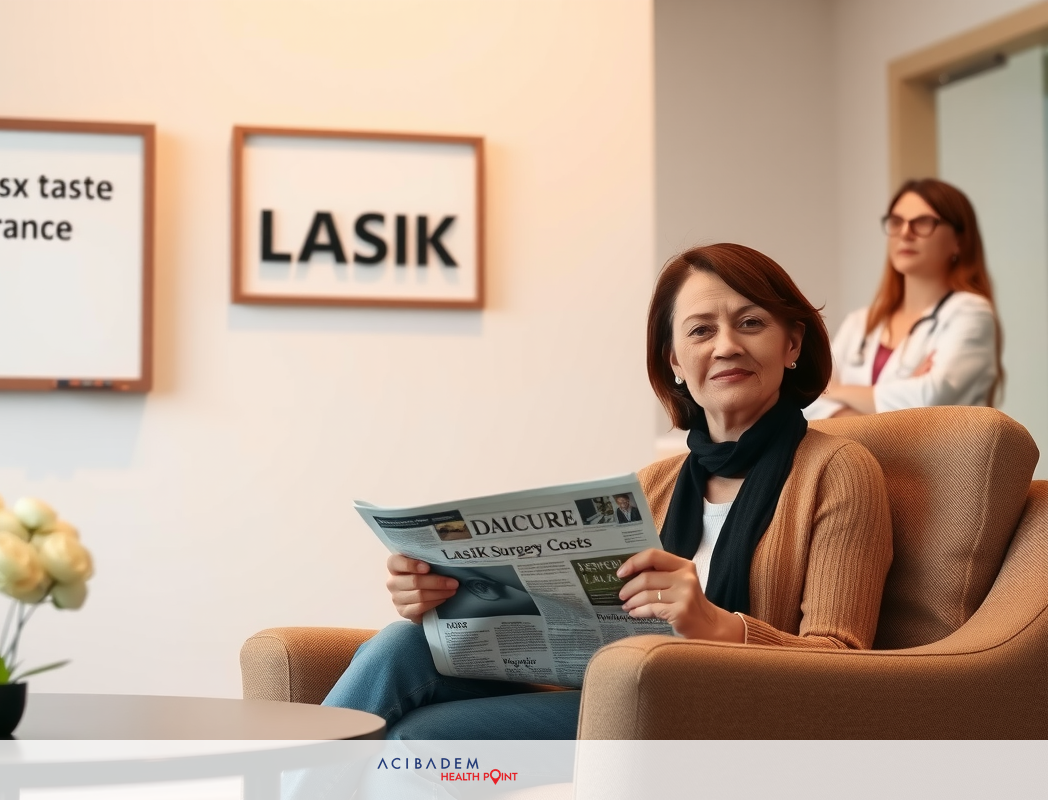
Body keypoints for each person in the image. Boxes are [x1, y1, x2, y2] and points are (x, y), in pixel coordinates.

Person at [322, 243, 893, 740]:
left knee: (421, 740)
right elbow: (578, 643)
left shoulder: (837, 470)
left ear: (792, 344)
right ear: (674, 361)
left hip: (712, 716)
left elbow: (844, 666)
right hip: (607, 692)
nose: (725, 346)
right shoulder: (651, 486)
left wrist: (716, 626)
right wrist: (443, 601)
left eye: (750, 323)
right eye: (700, 330)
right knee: (399, 647)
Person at [805, 178, 1003, 419]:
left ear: (959, 241)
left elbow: (930, 397)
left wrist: (837, 392)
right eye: (897, 222)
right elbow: (808, 400)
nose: (905, 233)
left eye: (923, 222)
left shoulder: (971, 313)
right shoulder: (860, 323)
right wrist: (900, 398)